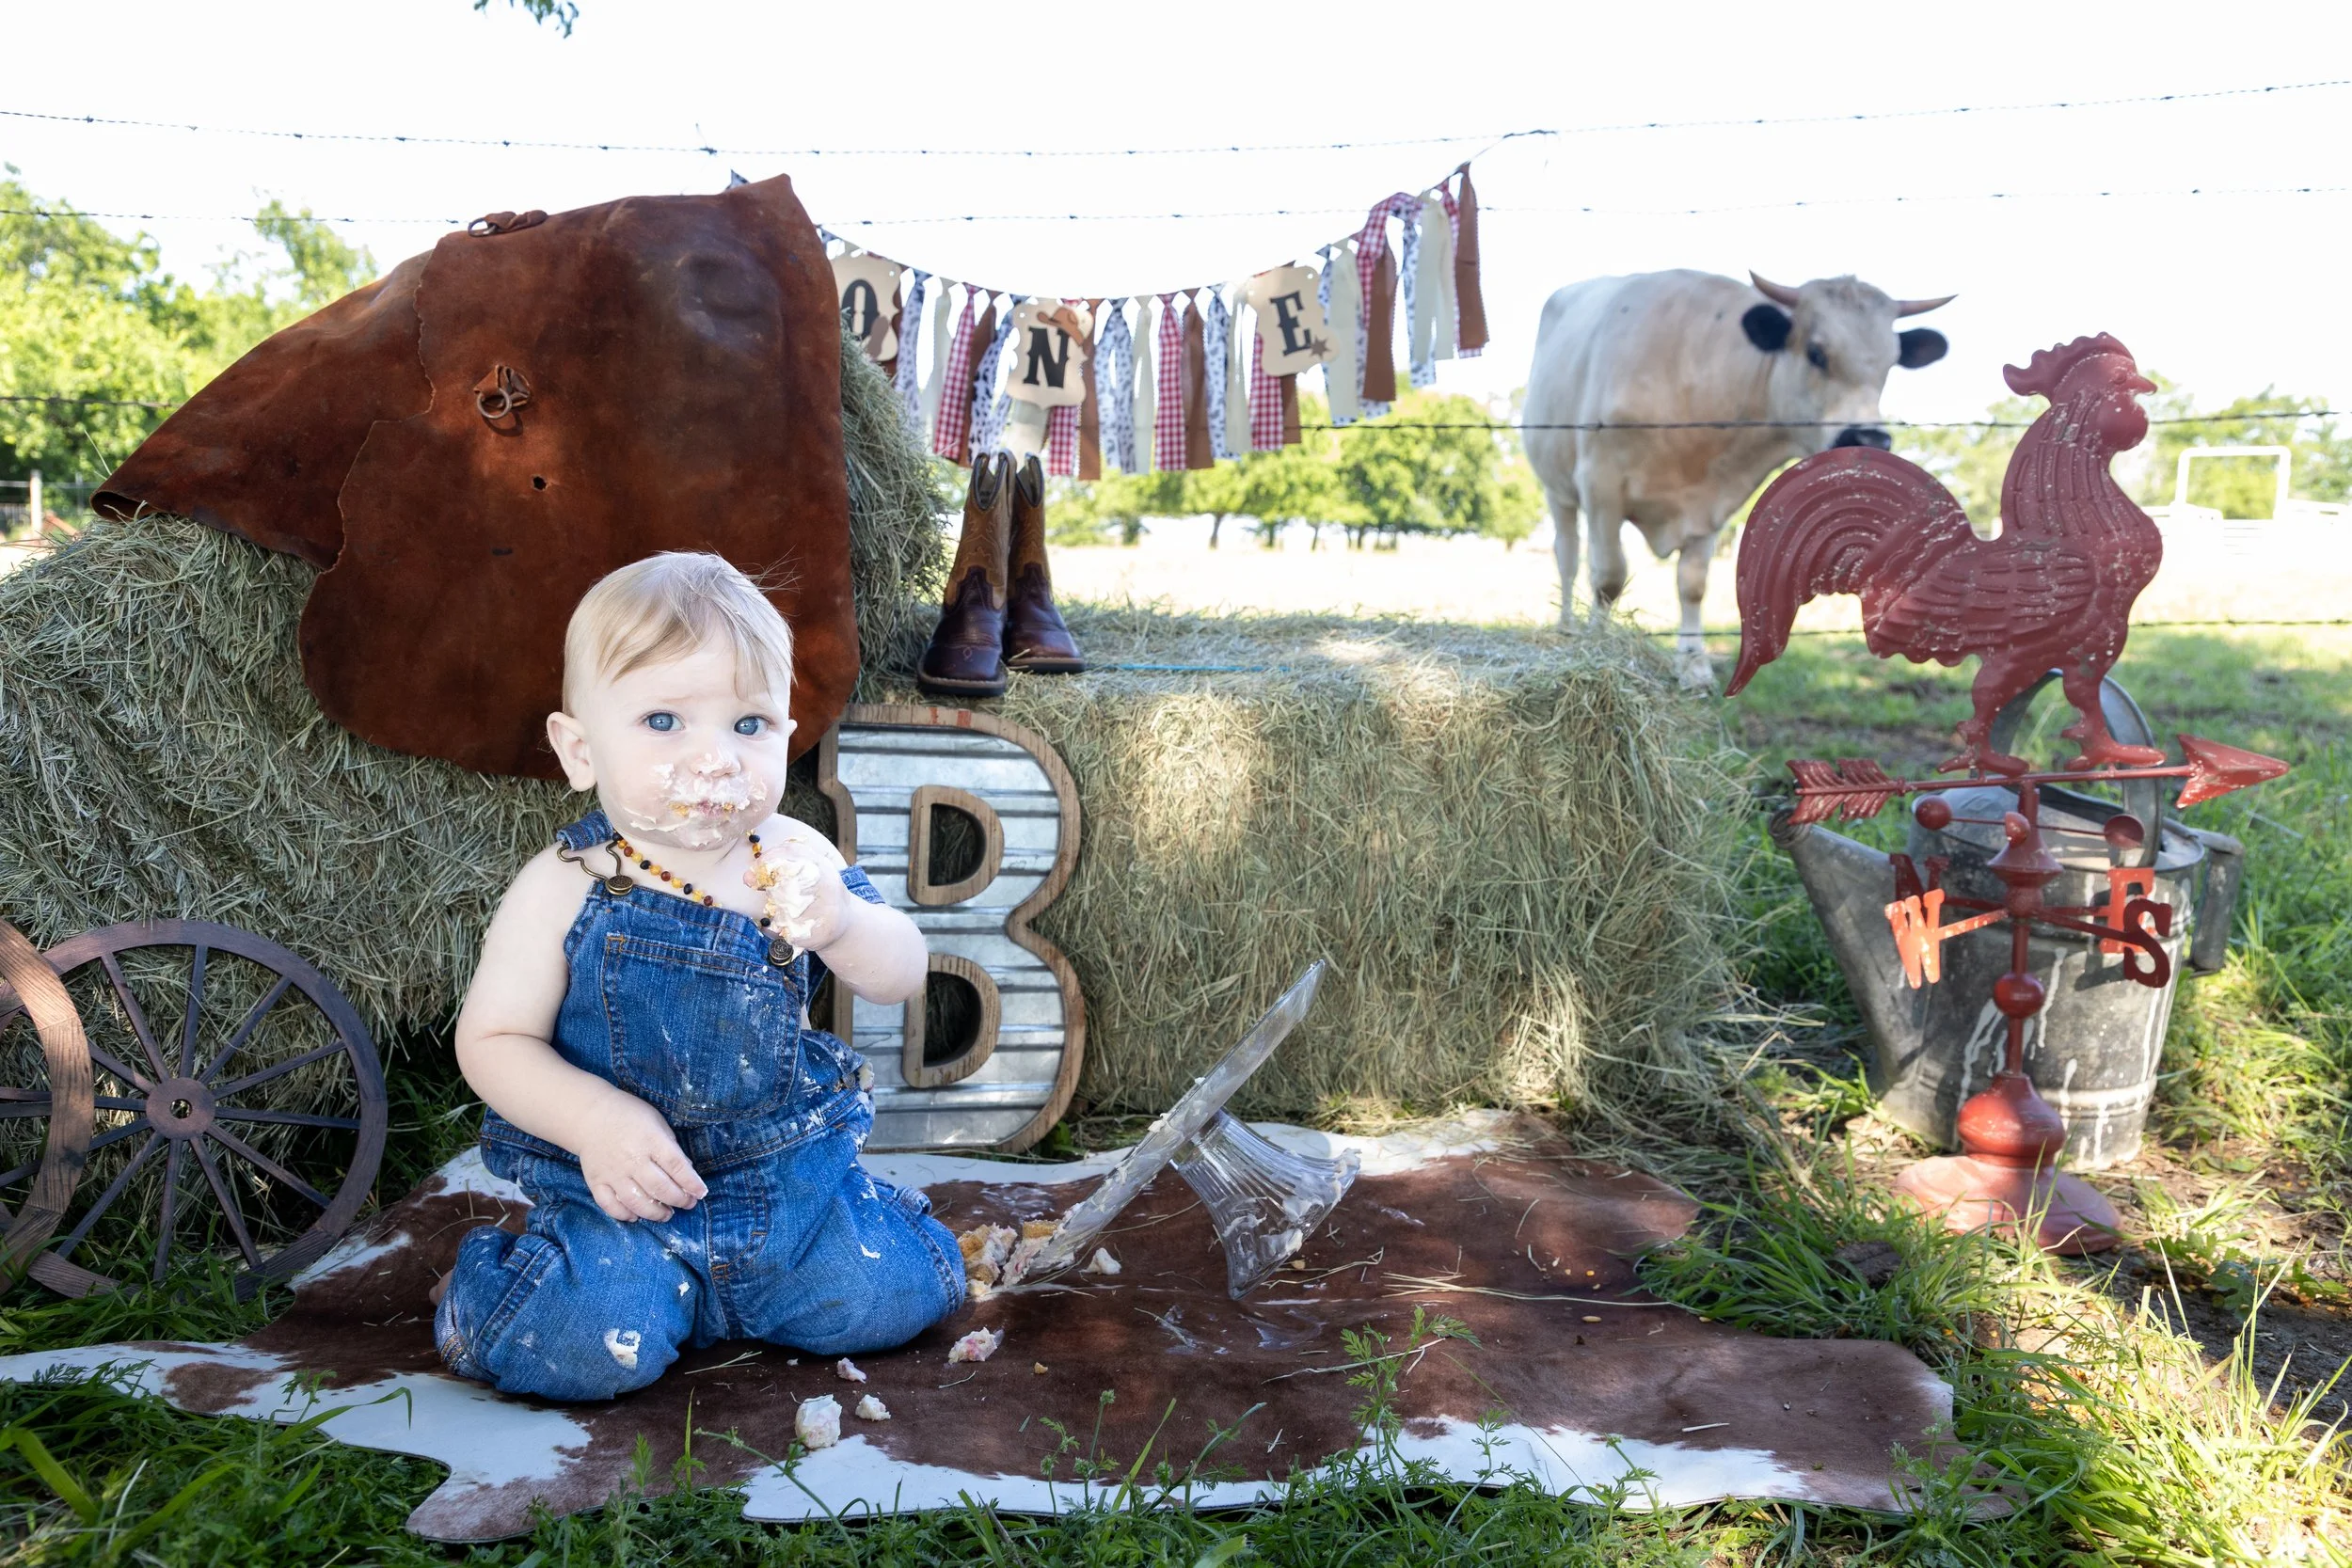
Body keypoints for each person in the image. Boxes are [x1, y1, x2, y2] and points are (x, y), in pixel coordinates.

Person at [433, 552, 965, 1400]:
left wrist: (844, 921)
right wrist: (595, 1119)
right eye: (663, 721)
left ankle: (752, 1285)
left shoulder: (795, 855)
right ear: (579, 749)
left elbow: (900, 972)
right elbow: (493, 1039)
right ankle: (493, 1292)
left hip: (778, 1180)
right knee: (573, 1344)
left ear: (788, 735)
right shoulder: (564, 882)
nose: (715, 758)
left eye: (748, 725)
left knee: (900, 1291)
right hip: (624, 1198)